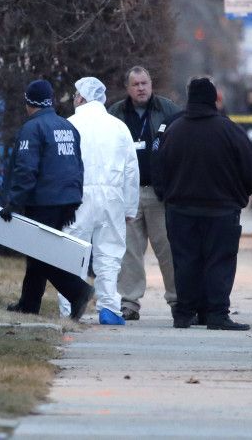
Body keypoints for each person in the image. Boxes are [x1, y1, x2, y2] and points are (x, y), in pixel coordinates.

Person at [154, 77, 252, 331]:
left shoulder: (174, 130)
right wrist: (241, 196)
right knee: (219, 261)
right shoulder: (230, 130)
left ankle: (184, 313)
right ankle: (217, 313)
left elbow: (159, 169)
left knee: (185, 261)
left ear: (189, 99)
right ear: (214, 99)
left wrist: (168, 196)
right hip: (222, 210)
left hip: (180, 209)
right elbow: (251, 170)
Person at [1, 79, 95, 320]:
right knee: (38, 252)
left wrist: (13, 201)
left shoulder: (32, 128)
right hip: (68, 198)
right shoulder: (66, 126)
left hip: (45, 200)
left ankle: (78, 291)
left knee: (40, 254)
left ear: (28, 103)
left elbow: (26, 169)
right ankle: (29, 304)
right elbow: (77, 164)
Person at [55, 77, 140, 325]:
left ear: (81, 98)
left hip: (77, 197)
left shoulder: (69, 125)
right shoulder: (118, 127)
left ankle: (70, 308)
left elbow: (60, 166)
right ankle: (109, 308)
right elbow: (131, 171)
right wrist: (130, 207)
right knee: (109, 253)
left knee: (72, 251)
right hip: (112, 197)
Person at [108, 66, 180, 321]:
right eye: (136, 84)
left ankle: (178, 300)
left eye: (145, 83)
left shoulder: (167, 110)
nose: (141, 88)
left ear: (151, 84)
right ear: (128, 88)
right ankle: (129, 302)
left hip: (158, 193)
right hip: (128, 193)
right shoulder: (115, 113)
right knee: (129, 251)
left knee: (168, 248)